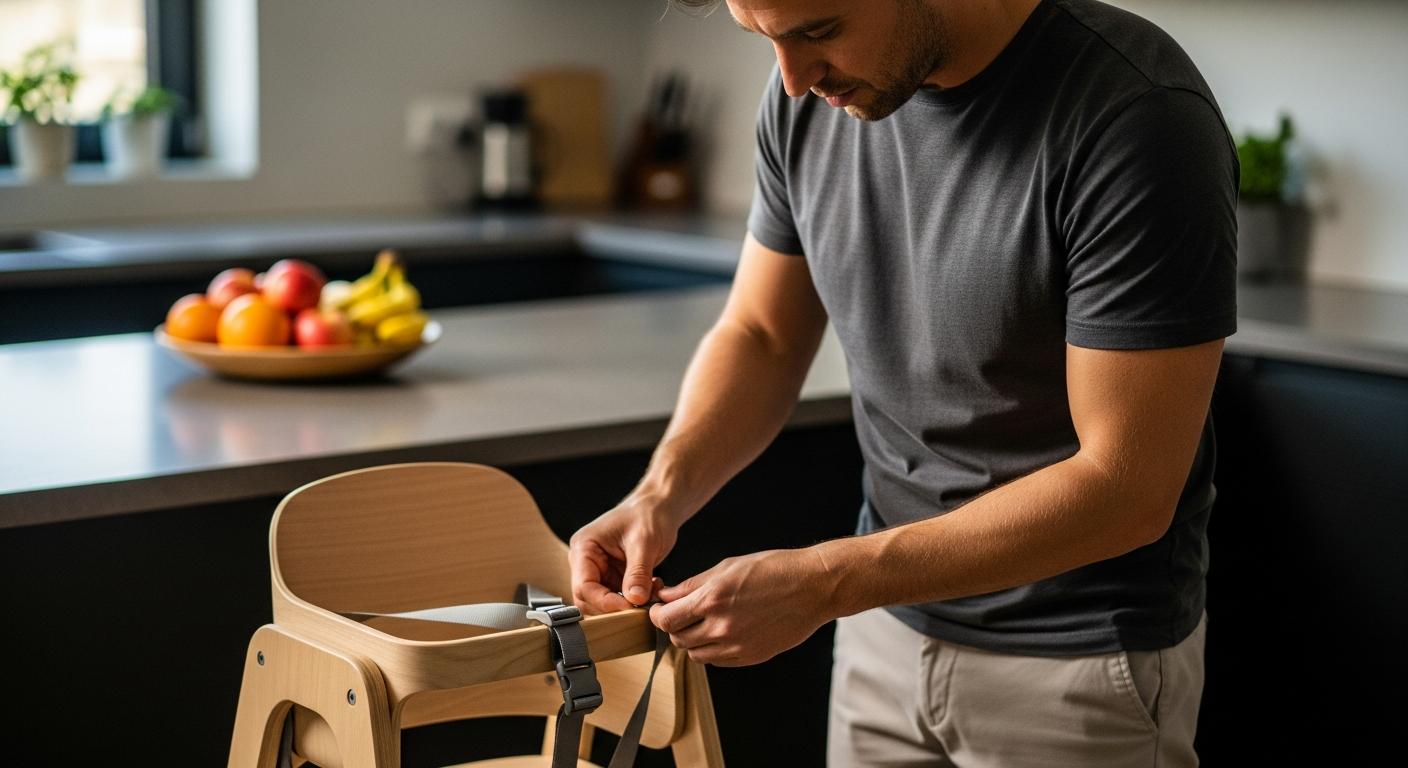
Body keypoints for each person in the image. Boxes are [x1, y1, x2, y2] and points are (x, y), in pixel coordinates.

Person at [569, 0, 1237, 765]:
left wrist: (824, 584)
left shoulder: (1136, 115)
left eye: (818, 31)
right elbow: (763, 334)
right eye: (766, 39)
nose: (791, 79)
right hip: (881, 630)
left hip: (1076, 664)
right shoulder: (810, 103)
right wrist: (659, 494)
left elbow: (1125, 488)